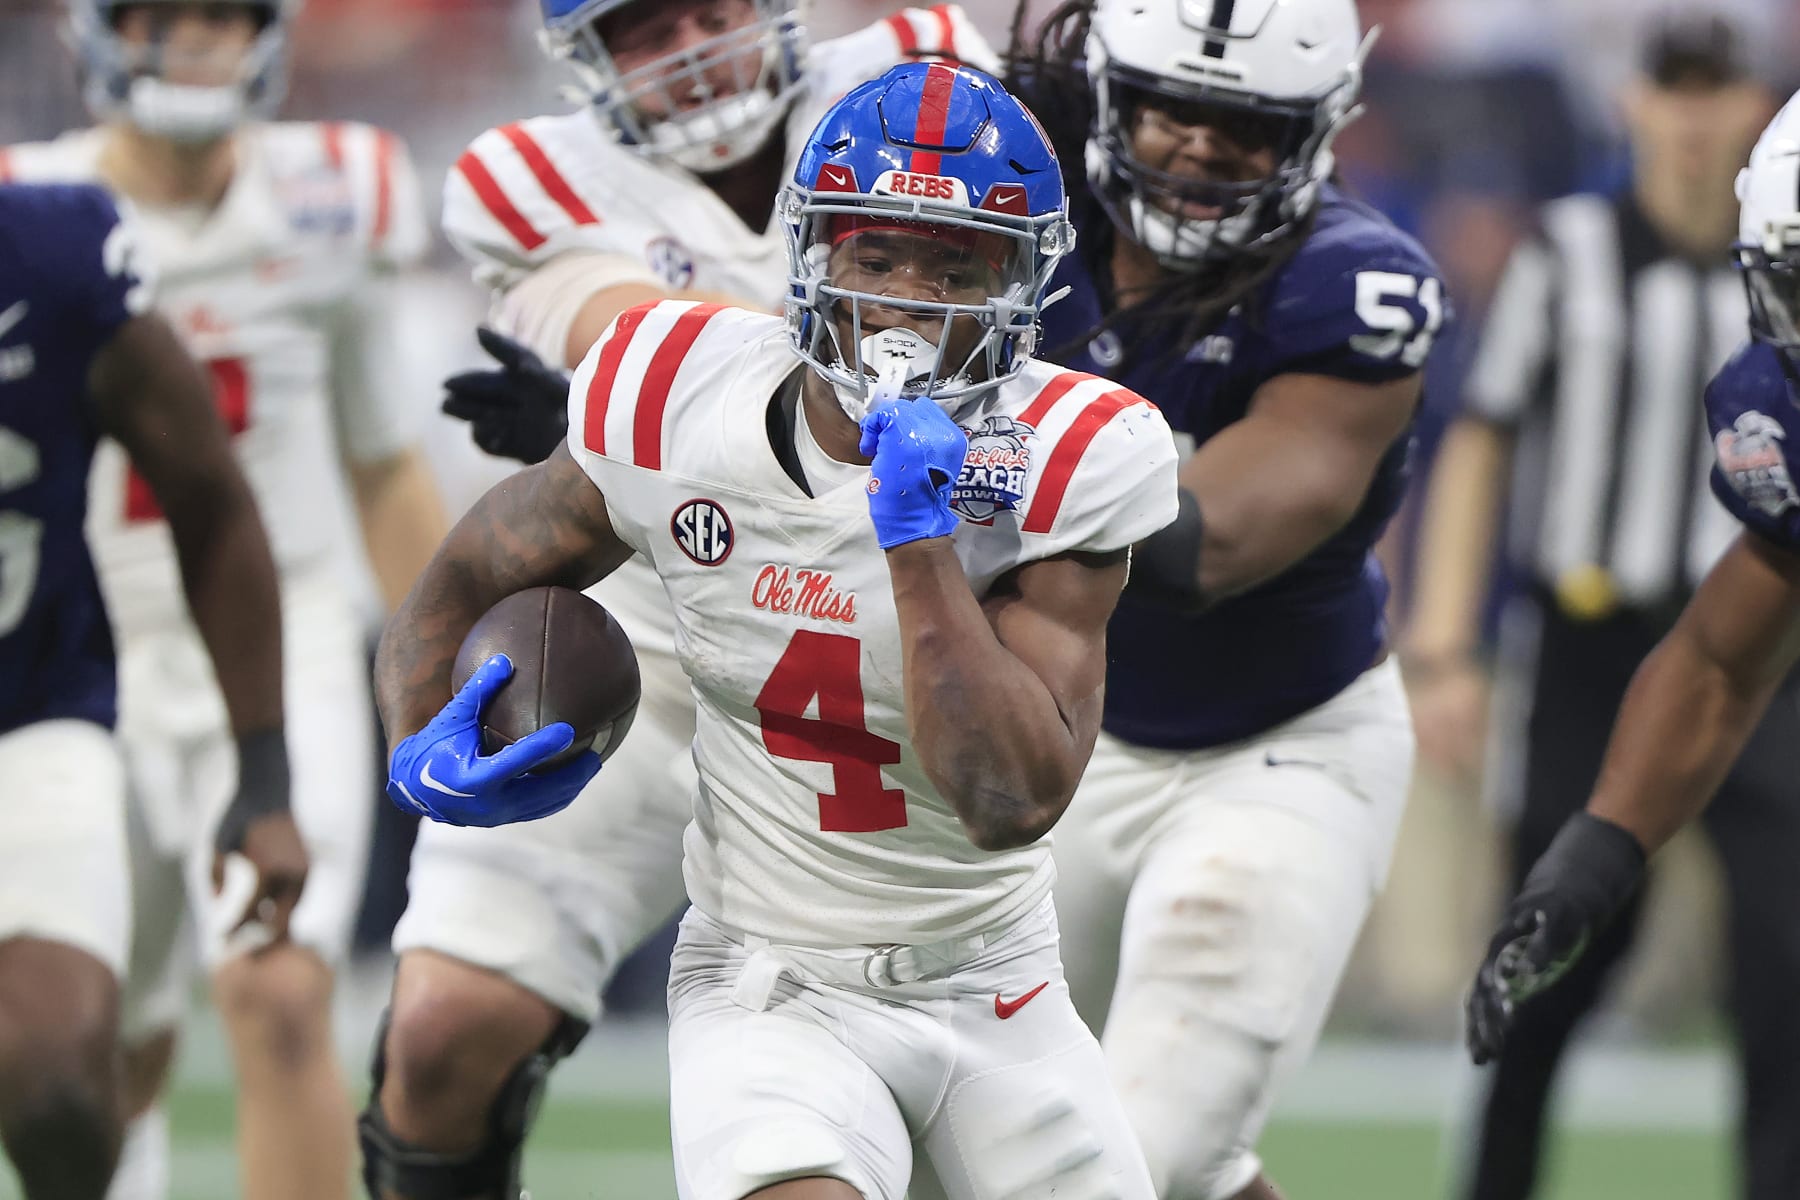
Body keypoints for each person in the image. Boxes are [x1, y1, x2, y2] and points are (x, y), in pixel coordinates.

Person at [377, 62, 1176, 1200]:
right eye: (878, 255)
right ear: (813, 256)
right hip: (770, 987)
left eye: (958, 265)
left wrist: (919, 542)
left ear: (1026, 283)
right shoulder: (673, 388)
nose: (909, 300)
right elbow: (459, 579)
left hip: (998, 990)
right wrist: (421, 749)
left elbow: (1009, 799)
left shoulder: (1071, 452)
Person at [3, 3, 445, 1198]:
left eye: (219, 18)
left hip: (281, 632)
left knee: (280, 987)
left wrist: (450, 675)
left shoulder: (338, 192)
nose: (193, 45)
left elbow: (382, 461)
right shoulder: (33, 208)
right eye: (161, 17)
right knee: (101, 1045)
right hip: (85, 655)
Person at [998, 2, 1440, 1197]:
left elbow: (1207, 546)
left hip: (1278, 751)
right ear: (1111, 96)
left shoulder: (1356, 283)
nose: (1197, 143)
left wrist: (970, 460)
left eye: (1244, 124)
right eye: (1172, 108)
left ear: (1316, 131)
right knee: (971, 1136)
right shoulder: (1015, 213)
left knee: (1131, 1160)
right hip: (1056, 732)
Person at [1407, 17, 1794, 1200]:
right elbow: (1724, 660)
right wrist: (1443, 645)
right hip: (1609, 639)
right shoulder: (1578, 261)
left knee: (1783, 969)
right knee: (1552, 969)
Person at [0, 181, 290, 1200]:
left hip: (28, 715)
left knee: (63, 1098)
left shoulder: (53, 257)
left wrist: (263, 770)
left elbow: (207, 495)